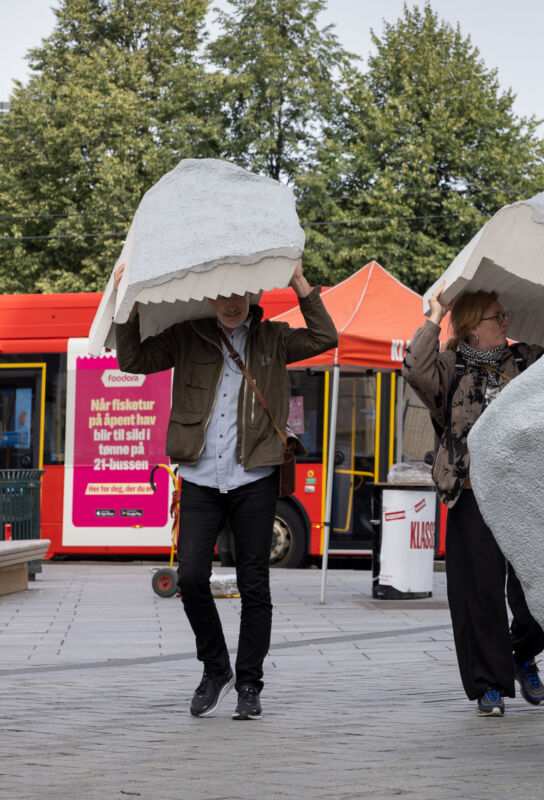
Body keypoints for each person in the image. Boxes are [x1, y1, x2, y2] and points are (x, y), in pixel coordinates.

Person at [114, 261, 338, 720]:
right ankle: (215, 669)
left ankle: (250, 685)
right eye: (223, 295)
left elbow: (324, 338)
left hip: (254, 477)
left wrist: (299, 284)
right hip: (199, 476)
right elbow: (131, 360)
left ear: (254, 296)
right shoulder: (188, 335)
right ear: (210, 296)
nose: (232, 304)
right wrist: (127, 305)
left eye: (241, 295)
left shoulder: (273, 339)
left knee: (255, 585)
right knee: (191, 577)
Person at [402, 285, 544, 717]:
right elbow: (414, 367)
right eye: (496, 317)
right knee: (478, 594)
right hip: (469, 492)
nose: (505, 322)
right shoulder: (449, 367)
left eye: (504, 316)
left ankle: (522, 652)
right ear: (471, 328)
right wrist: (435, 315)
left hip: (526, 492)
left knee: (536, 591)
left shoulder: (525, 359)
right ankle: (488, 682)